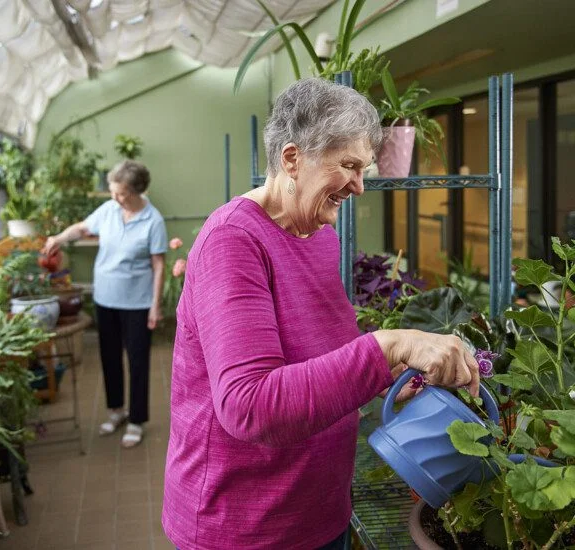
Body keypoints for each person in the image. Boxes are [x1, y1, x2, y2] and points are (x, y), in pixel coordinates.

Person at [162, 78, 480, 549]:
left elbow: (320, 360)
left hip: (320, 509)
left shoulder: (318, 235)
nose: (360, 186)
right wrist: (389, 344)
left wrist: (393, 372)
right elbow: (250, 406)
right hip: (246, 526)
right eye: (349, 166)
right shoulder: (233, 241)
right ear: (292, 158)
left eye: (365, 168)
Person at [42, 160, 167, 448]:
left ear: (137, 191)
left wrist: (155, 305)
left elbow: (158, 265)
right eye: (113, 191)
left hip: (137, 302)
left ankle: (136, 420)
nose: (115, 198)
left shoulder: (153, 220)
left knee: (137, 361)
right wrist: (59, 238)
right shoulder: (109, 210)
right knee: (109, 357)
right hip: (105, 298)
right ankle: (116, 411)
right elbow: (81, 228)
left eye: (121, 193)